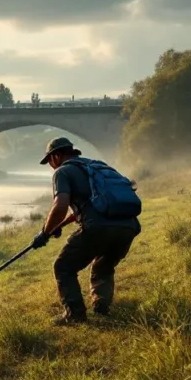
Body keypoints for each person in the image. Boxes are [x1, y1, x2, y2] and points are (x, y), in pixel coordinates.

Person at [32, 137, 141, 325]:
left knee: (64, 267)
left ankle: (75, 316)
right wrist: (57, 227)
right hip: (127, 227)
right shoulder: (96, 167)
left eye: (49, 160)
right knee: (104, 266)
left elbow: (60, 206)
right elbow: (93, 205)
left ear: (56, 156)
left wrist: (44, 233)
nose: (50, 165)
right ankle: (101, 306)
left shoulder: (63, 172)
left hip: (98, 228)